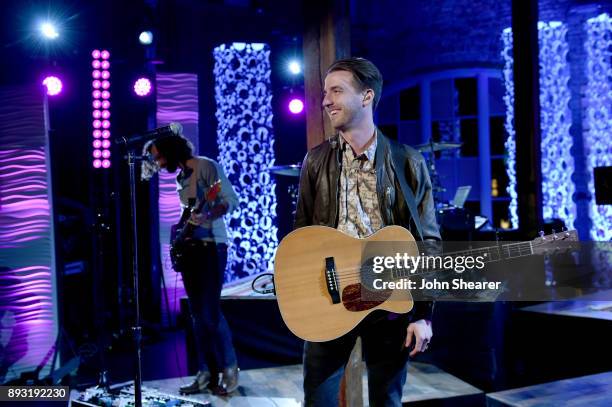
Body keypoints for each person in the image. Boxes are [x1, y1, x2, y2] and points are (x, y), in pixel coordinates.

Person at [294, 57, 441, 406]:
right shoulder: (315, 161)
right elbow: (301, 235)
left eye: (336, 91)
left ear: (367, 96)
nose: (326, 100)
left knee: (387, 401)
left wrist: (423, 314)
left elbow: (428, 243)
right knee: (317, 401)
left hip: (388, 306)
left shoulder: (408, 161)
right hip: (327, 301)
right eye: (325, 92)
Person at [142, 134, 239, 395]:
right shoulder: (180, 178)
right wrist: (181, 235)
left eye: (159, 156)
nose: (158, 163)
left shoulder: (206, 166)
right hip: (191, 250)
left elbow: (228, 201)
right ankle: (205, 372)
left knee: (210, 311)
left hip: (211, 246)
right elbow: (189, 212)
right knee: (197, 316)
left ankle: (230, 368)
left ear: (171, 151)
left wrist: (206, 215)